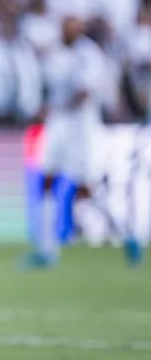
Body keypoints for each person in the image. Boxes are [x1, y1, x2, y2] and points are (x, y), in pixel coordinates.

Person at [24, 15, 105, 269]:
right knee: (46, 180)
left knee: (85, 186)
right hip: (58, 125)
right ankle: (47, 249)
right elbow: (44, 82)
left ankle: (129, 236)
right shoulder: (55, 54)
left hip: (81, 126)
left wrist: (56, 107)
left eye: (72, 27)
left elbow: (84, 92)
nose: (67, 32)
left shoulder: (89, 54)